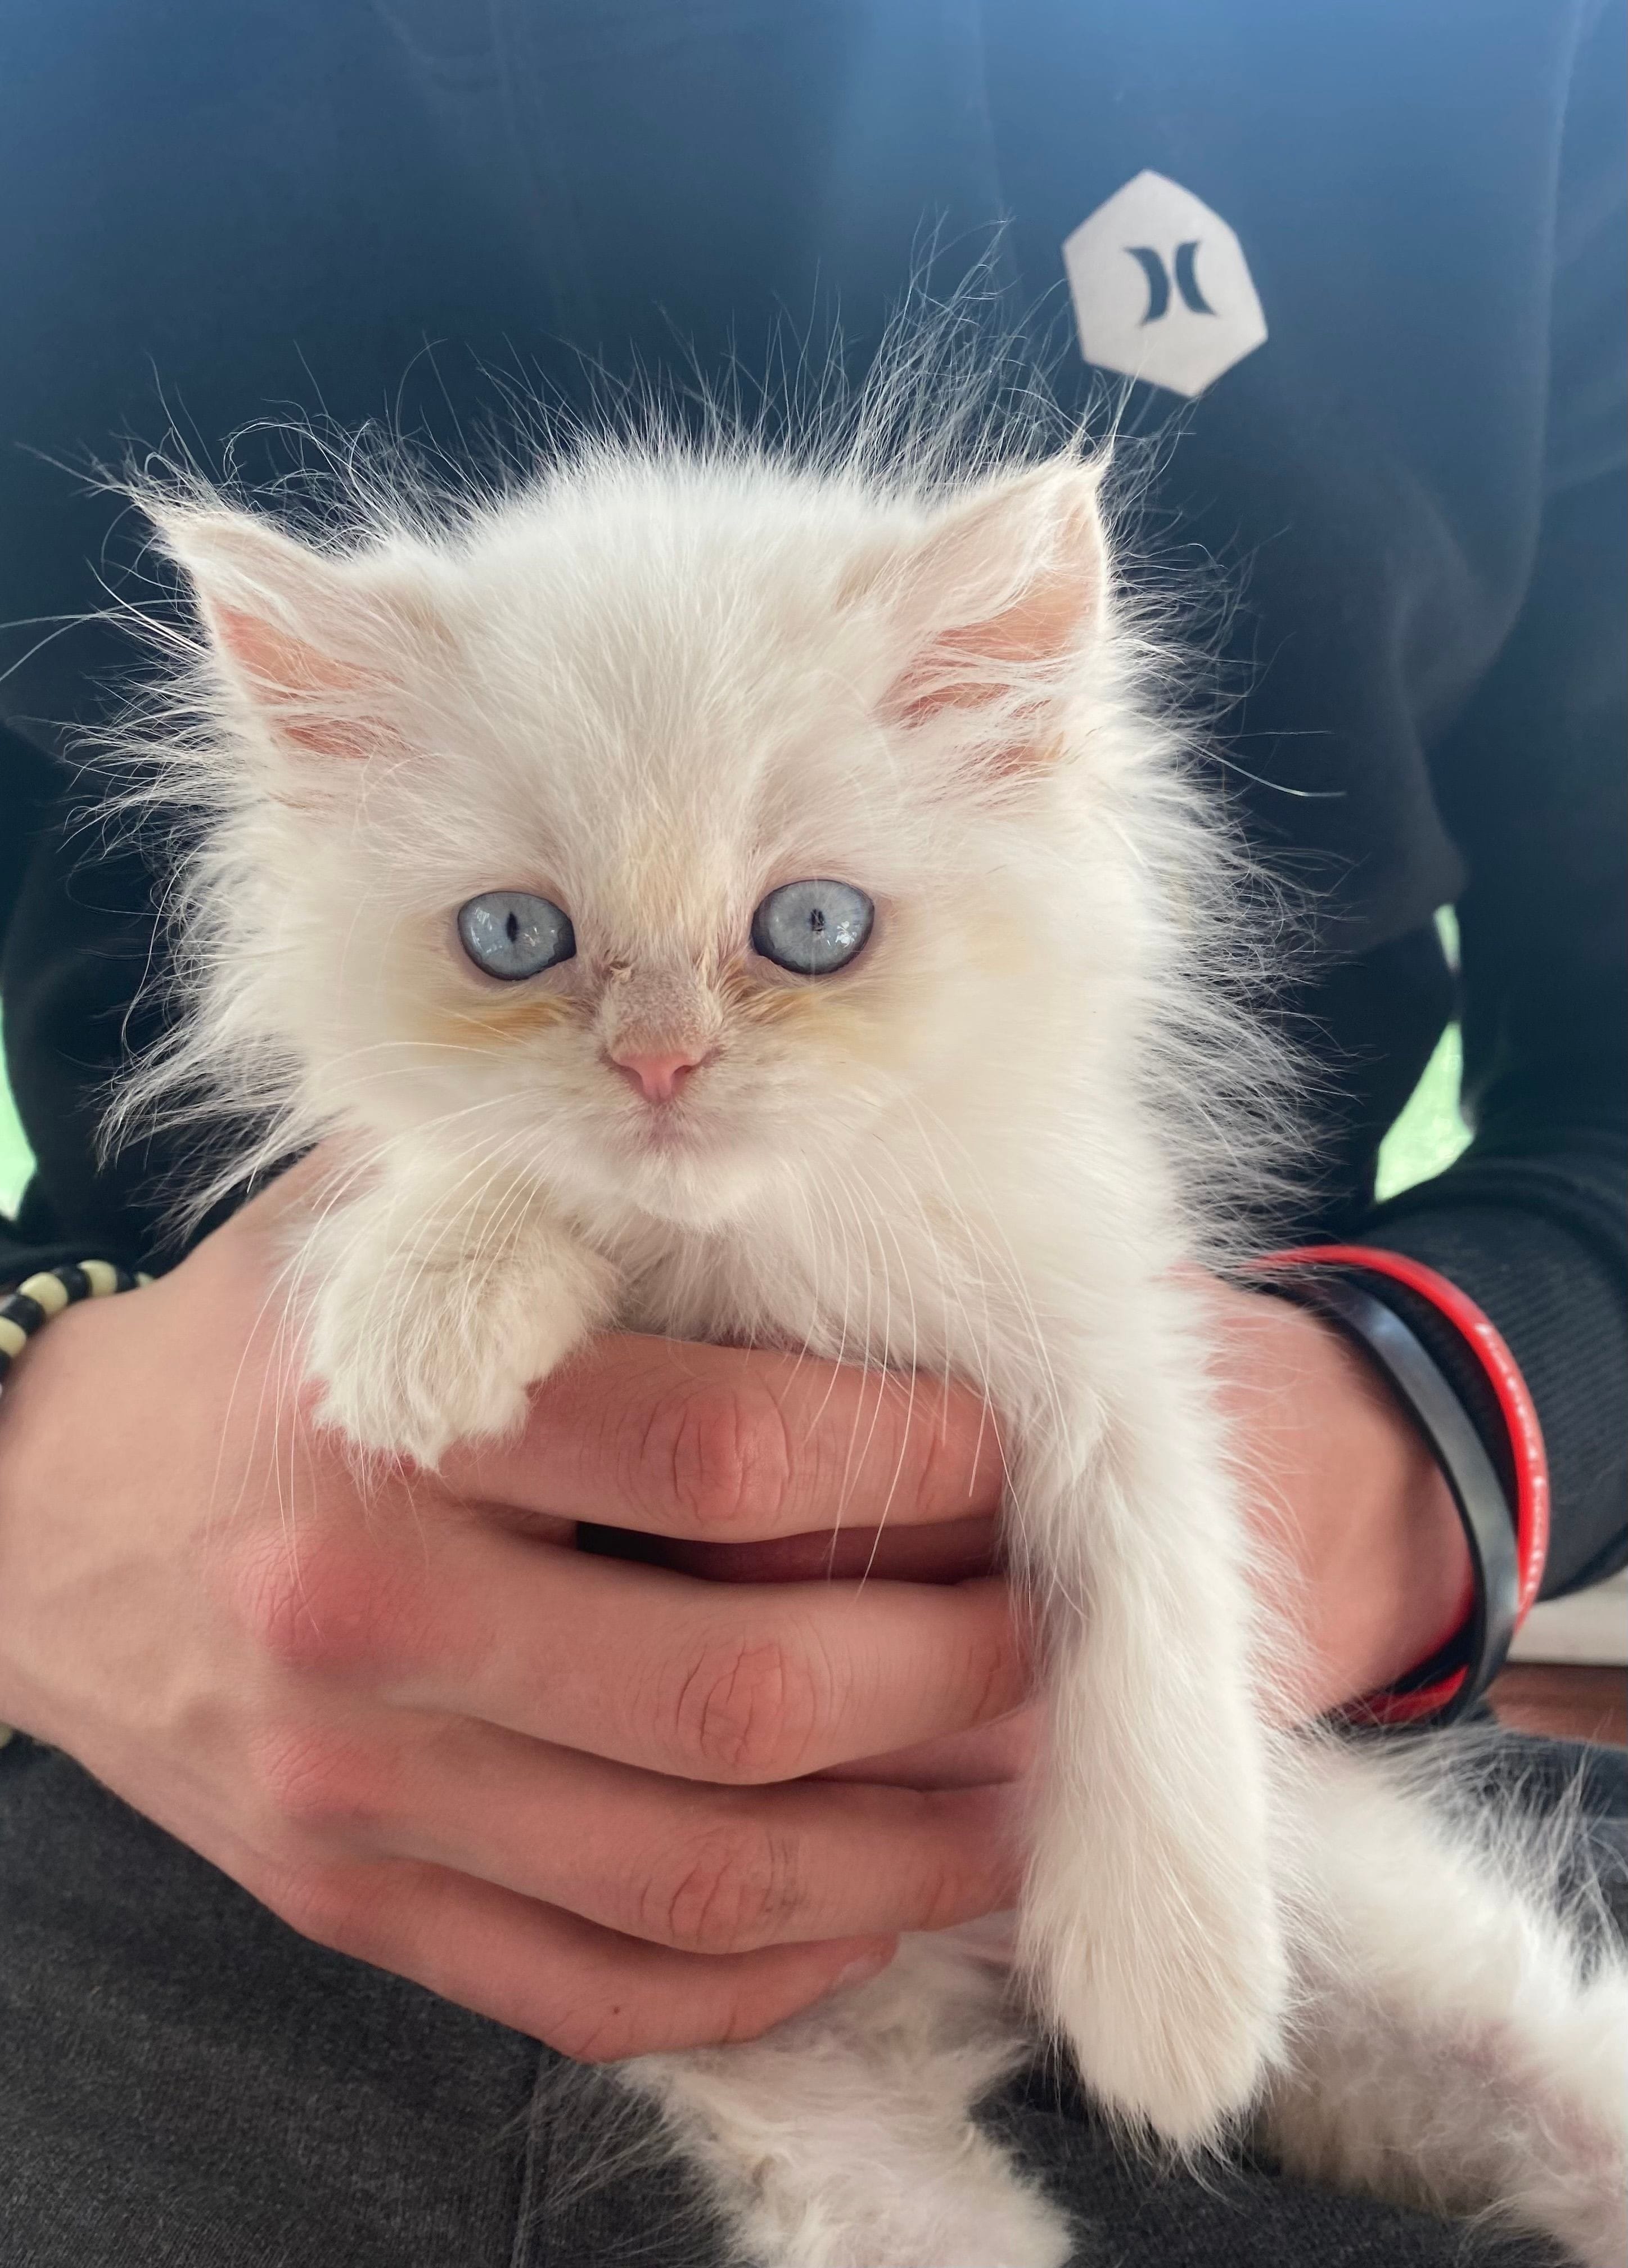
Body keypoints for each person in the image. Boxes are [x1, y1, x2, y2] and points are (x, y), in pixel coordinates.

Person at [0, 3, 1621, 2262]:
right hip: (203, 1742)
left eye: (810, 929)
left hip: (1259, 1692)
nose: (663, 1050)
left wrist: (1404, 1439)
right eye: (517, 941)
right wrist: (28, 1445)